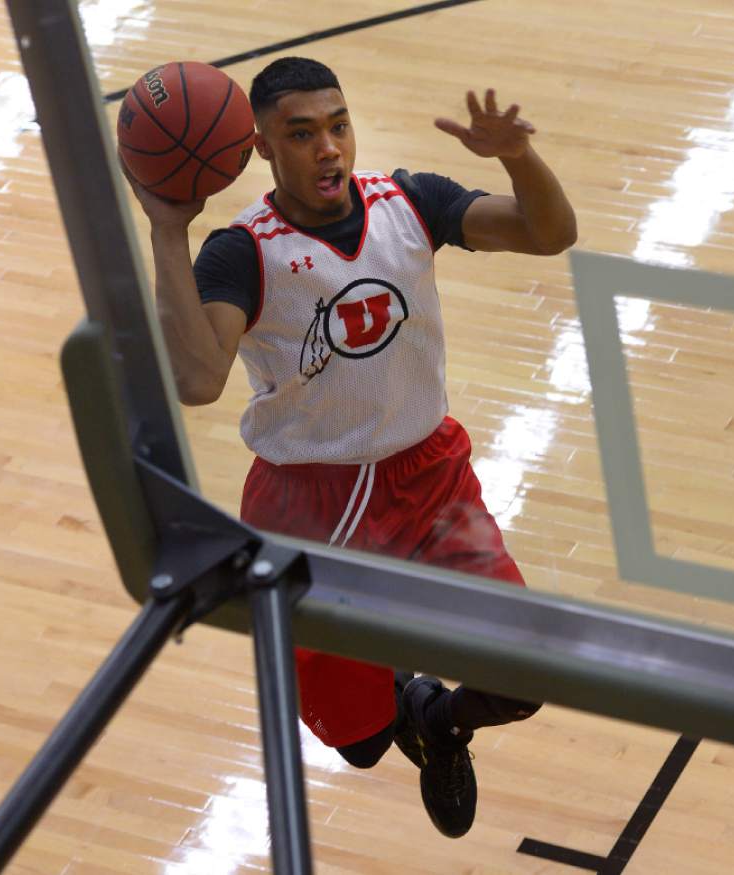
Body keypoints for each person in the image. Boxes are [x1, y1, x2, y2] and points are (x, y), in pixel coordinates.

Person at [123, 56, 577, 839]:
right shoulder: (241, 252)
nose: (328, 147)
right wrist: (169, 229)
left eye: (338, 125)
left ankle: (436, 719)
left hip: (430, 478)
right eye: (302, 134)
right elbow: (198, 380)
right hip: (310, 503)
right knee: (361, 743)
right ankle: (396, 704)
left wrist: (515, 154)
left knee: (525, 671)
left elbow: (549, 232)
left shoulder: (411, 201)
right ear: (261, 148)